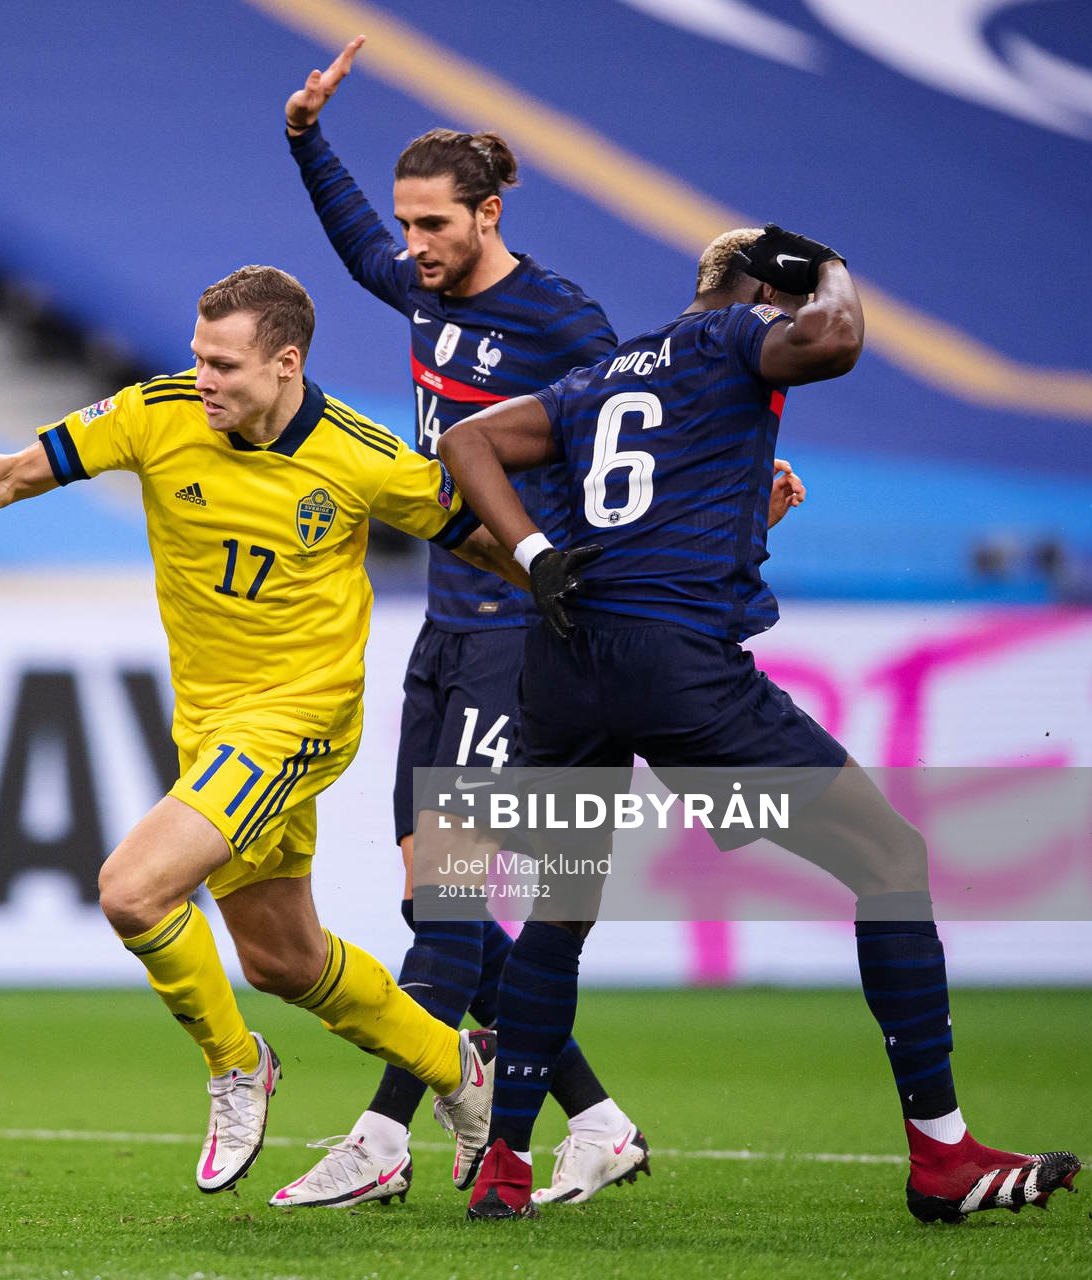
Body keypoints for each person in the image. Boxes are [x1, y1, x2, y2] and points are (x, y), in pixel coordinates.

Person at [437, 224, 1082, 1221]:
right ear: (759, 293)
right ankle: (942, 1156)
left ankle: (507, 1166)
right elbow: (836, 342)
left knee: (559, 910)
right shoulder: (736, 334)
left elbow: (467, 440)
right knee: (889, 858)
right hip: (673, 670)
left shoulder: (605, 372)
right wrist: (829, 270)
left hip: (566, 662)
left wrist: (533, 557)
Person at [274, 34, 798, 1210]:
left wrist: (745, 487)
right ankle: (600, 1119)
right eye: (407, 227)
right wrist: (306, 137)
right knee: (428, 897)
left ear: (490, 212)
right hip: (441, 623)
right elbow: (356, 240)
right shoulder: (416, 279)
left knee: (455, 892)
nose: (412, 249)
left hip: (520, 626)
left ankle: (386, 1133)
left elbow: (653, 412)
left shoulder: (563, 317)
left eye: (434, 227)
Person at [0, 265, 506, 1198]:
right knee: (283, 961)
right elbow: (12, 471)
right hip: (212, 727)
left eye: (223, 363)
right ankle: (461, 1071)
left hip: (303, 715)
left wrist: (613, 578)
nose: (203, 377)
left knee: (132, 891)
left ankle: (234, 1066)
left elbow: (491, 534)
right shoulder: (155, 413)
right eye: (197, 357)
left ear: (286, 363)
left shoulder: (359, 456)